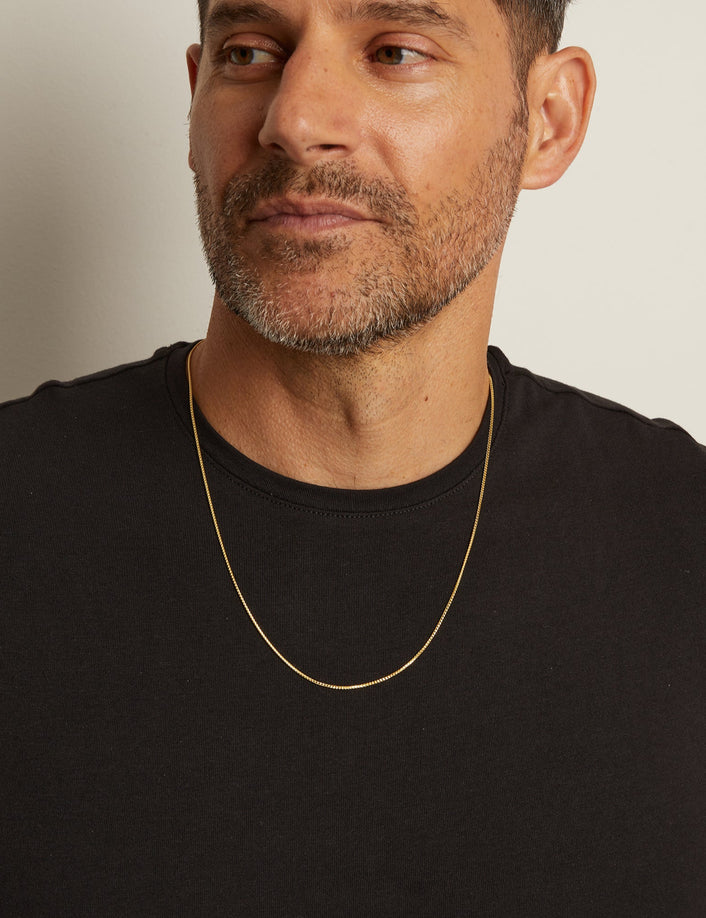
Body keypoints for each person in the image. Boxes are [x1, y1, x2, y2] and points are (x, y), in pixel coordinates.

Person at [1, 0, 704, 914]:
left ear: (549, 120)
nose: (293, 119)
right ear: (195, 99)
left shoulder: (681, 539)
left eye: (395, 51)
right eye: (249, 52)